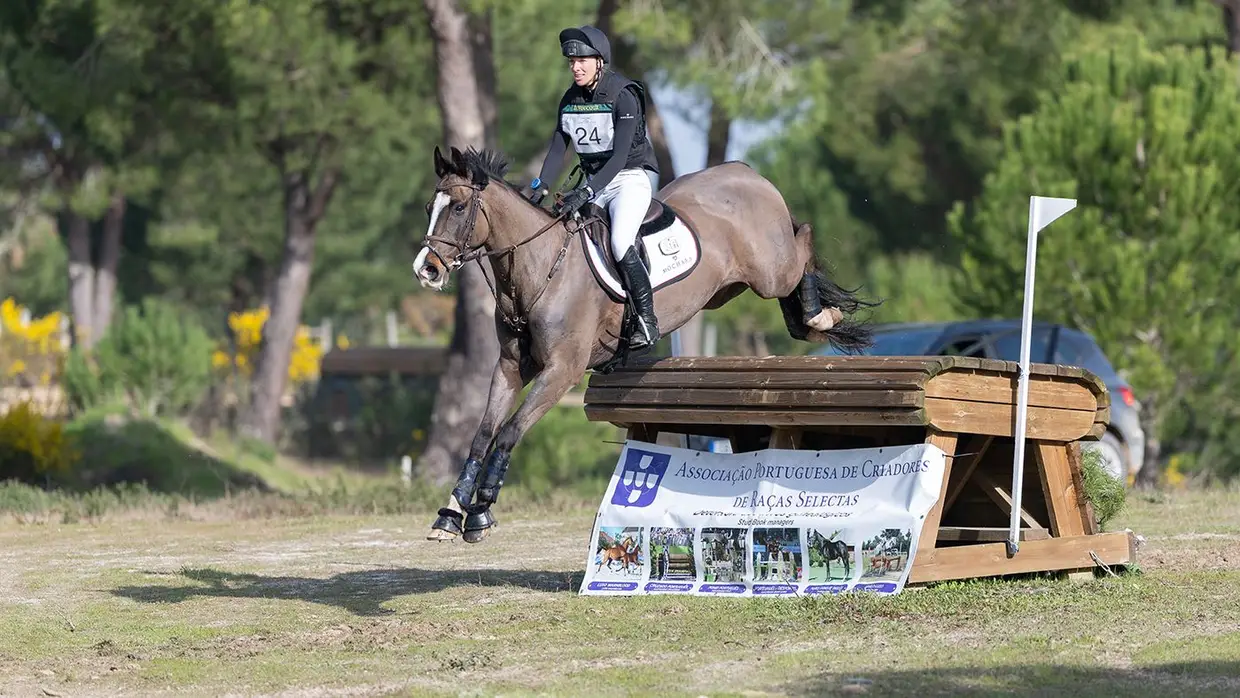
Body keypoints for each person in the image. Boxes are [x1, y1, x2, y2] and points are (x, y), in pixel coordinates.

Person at [529, 25, 662, 349]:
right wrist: (539, 187)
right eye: (571, 62)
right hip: (593, 185)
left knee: (618, 242)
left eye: (582, 61)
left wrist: (586, 192)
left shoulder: (624, 93)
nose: (575, 67)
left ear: (600, 61)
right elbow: (558, 149)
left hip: (629, 179)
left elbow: (618, 158)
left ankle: (647, 320)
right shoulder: (570, 100)